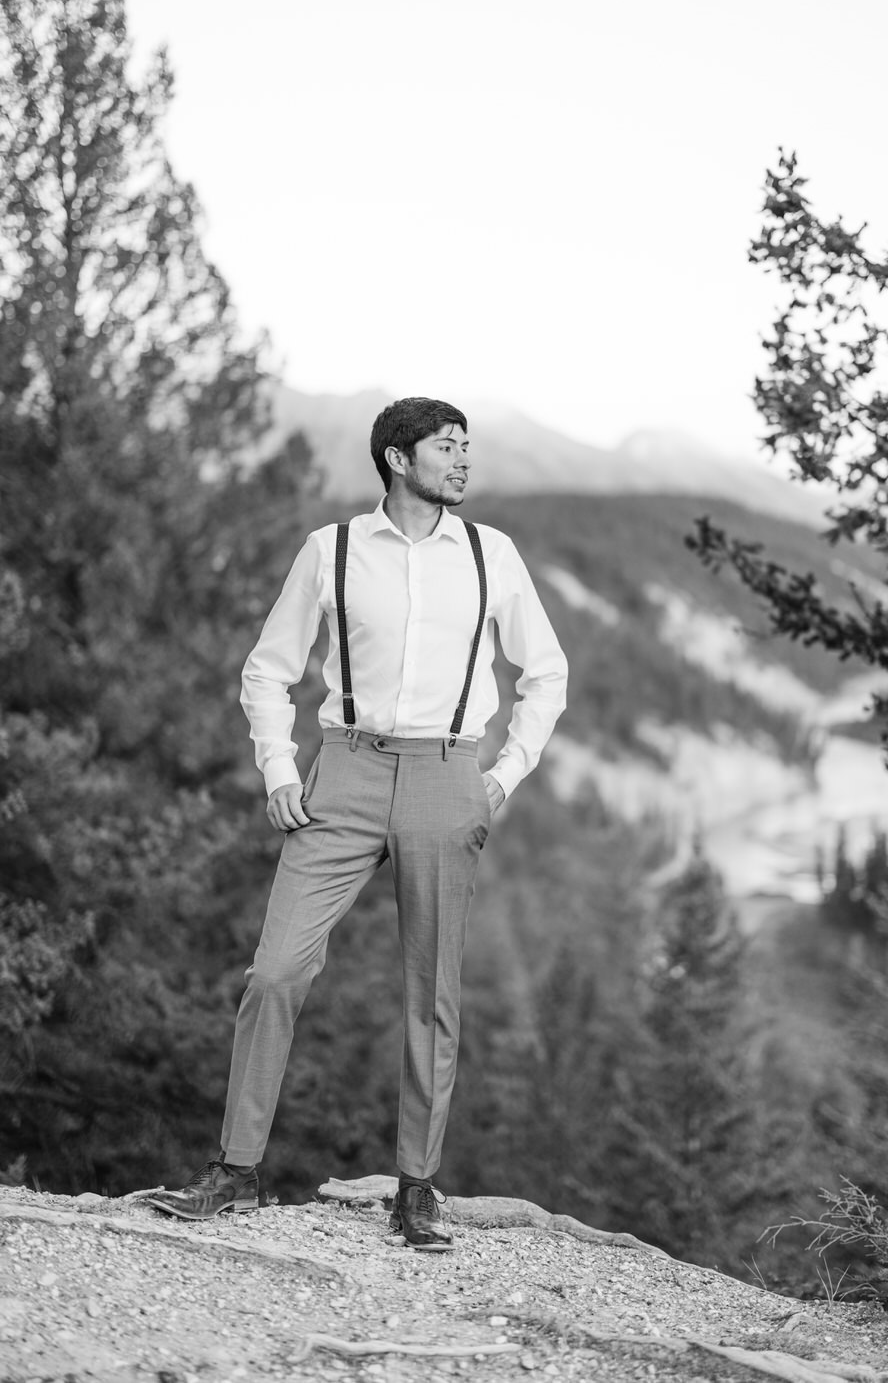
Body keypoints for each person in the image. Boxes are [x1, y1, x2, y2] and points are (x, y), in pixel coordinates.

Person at [150, 397, 568, 1249]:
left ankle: (416, 1188)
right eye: (445, 447)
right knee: (275, 971)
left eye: (466, 447)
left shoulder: (494, 555)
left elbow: (546, 674)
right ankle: (235, 1172)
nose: (462, 461)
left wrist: (504, 774)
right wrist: (277, 768)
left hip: (449, 775)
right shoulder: (330, 551)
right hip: (341, 771)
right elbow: (266, 672)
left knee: (431, 993)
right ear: (396, 459)